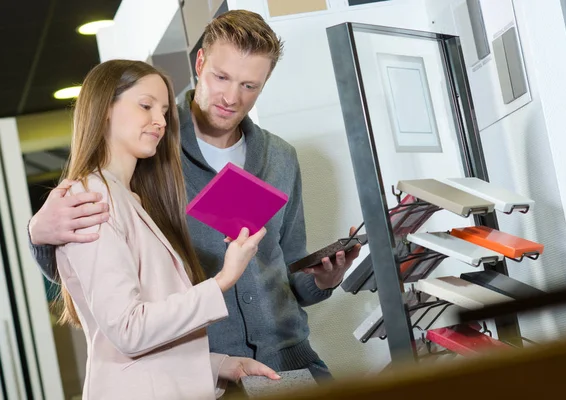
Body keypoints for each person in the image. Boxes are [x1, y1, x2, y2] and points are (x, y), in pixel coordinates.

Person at [28, 10, 360, 380]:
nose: (232, 97)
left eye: (250, 86)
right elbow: (90, 272)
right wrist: (38, 235)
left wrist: (323, 282)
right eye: (221, 77)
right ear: (200, 62)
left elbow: (291, 268)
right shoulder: (147, 150)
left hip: (292, 362)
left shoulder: (280, 158)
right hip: (208, 370)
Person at [52, 59, 279, 400]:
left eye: (163, 111)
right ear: (105, 109)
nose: (159, 121)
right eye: (145, 106)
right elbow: (129, 330)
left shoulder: (128, 197)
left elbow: (149, 344)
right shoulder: (91, 198)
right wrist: (223, 280)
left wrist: (220, 366)